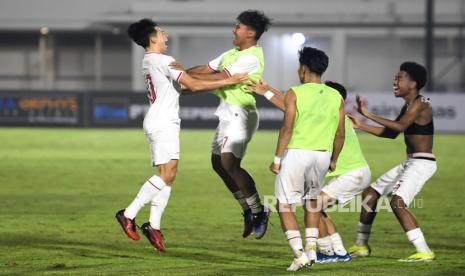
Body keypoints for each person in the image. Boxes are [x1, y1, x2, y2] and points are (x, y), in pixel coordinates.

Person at [115, 18, 248, 252]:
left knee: (169, 175)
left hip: (163, 120)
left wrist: (216, 82)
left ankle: (153, 226)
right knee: (166, 174)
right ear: (152, 38)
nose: (165, 35)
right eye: (161, 32)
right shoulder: (165, 60)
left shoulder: (150, 60)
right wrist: (230, 80)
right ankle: (128, 214)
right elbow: (192, 85)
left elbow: (183, 88)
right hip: (162, 122)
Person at [171, 10, 272, 239]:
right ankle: (247, 209)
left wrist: (187, 81)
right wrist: (182, 75)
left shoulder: (251, 57)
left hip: (241, 115)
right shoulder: (233, 53)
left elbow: (218, 79)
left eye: (238, 27)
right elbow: (207, 69)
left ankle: (259, 211)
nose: (234, 30)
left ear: (251, 32)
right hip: (228, 114)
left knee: (230, 163)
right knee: (217, 163)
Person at [250, 80, 369, 264]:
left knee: (311, 206)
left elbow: (289, 106)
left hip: (351, 174)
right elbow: (289, 103)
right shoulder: (333, 117)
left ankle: (332, 252)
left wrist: (266, 92)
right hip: (356, 172)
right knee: (314, 206)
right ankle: (335, 249)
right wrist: (267, 88)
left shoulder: (324, 119)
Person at [251, 47, 345, 271]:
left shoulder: (295, 92)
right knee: (312, 203)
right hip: (322, 155)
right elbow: (340, 133)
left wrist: (276, 159)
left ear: (303, 68)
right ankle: (312, 249)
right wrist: (334, 159)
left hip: (297, 154)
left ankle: (299, 254)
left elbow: (287, 128)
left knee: (285, 205)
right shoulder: (336, 96)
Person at [347, 61, 437, 262]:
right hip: (412, 162)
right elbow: (391, 134)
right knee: (370, 194)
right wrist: (361, 125)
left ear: (413, 83)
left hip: (422, 163)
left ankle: (424, 251)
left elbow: (400, 126)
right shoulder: (410, 104)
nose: (394, 81)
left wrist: (368, 114)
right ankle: (361, 246)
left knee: (397, 202)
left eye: (399, 78)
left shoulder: (421, 102)